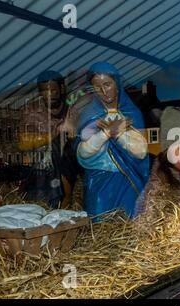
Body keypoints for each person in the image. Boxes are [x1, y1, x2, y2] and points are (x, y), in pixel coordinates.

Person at [76, 62, 149, 220]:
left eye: (107, 84)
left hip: (127, 180)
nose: (103, 91)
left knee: (129, 221)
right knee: (101, 222)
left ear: (117, 84)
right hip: (98, 181)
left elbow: (141, 152)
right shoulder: (89, 116)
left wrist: (118, 134)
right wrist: (107, 133)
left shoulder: (132, 114)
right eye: (97, 87)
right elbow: (83, 152)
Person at [18, 70, 81, 208]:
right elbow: (24, 143)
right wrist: (55, 133)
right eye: (44, 91)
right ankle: (57, 201)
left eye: (53, 90)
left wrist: (73, 133)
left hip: (67, 158)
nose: (48, 95)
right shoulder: (31, 111)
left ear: (62, 88)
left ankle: (63, 202)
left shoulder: (72, 111)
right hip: (40, 159)